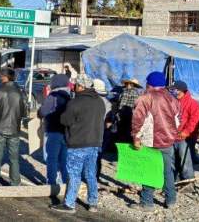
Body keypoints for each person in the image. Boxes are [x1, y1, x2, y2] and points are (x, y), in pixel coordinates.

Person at [50, 75, 106, 214]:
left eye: (75, 85)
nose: (73, 87)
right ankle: (93, 203)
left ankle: (69, 204)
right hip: (94, 143)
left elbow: (65, 121)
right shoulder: (100, 101)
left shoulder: (75, 102)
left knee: (74, 174)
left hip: (77, 143)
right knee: (90, 174)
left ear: (81, 86)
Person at [129, 71, 180, 212]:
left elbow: (138, 119)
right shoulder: (173, 98)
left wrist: (136, 137)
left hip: (151, 141)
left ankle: (147, 203)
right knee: (167, 171)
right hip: (168, 141)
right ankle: (171, 201)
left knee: (149, 171)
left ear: (149, 83)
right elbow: (177, 120)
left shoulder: (146, 97)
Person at [0, 67, 27, 186]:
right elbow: (25, 113)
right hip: (15, 130)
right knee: (14, 158)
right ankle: (15, 182)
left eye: (0, 75)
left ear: (4, 77)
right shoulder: (21, 92)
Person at [37, 74, 71, 188]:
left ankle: (51, 182)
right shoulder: (69, 96)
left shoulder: (53, 96)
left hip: (53, 131)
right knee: (64, 159)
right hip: (66, 132)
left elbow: (43, 112)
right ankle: (65, 182)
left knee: (52, 158)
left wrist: (39, 112)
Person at [170, 80, 199, 182]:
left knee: (184, 158)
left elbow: (195, 119)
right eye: (173, 90)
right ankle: (176, 180)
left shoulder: (193, 103)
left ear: (183, 90)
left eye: (176, 90)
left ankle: (188, 181)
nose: (174, 92)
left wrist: (186, 132)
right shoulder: (172, 102)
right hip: (172, 136)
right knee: (173, 159)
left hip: (186, 137)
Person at [115, 78, 143, 144]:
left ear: (132, 85)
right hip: (132, 115)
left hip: (124, 116)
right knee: (128, 134)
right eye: (127, 83)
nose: (127, 85)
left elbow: (122, 105)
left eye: (129, 83)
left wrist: (118, 115)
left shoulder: (126, 92)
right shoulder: (137, 93)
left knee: (122, 134)